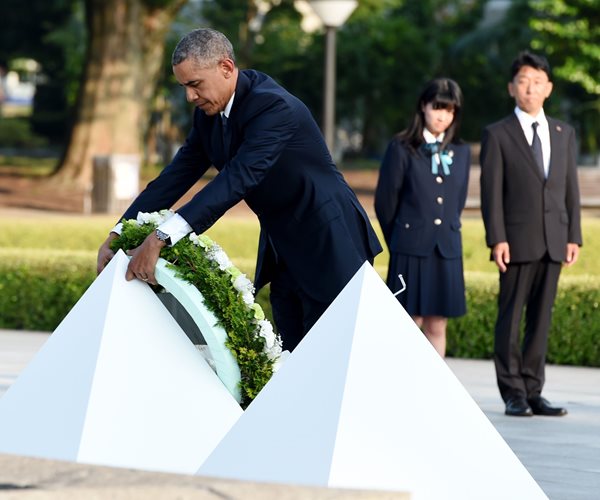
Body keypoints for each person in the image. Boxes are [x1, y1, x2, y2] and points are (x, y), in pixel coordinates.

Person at [97, 28, 382, 352]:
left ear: (226, 68)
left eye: (195, 84)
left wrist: (162, 237)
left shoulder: (273, 108)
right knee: (292, 351)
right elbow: (173, 178)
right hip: (282, 245)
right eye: (184, 87)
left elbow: (236, 179)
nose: (190, 97)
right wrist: (119, 231)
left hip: (330, 237)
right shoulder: (208, 115)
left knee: (337, 352)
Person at [480, 51, 582, 417]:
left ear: (548, 88)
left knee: (541, 318)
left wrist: (574, 235)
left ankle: (534, 390)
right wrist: (497, 238)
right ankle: (513, 393)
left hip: (555, 239)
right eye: (523, 81)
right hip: (516, 240)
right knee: (510, 317)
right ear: (512, 88)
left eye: (537, 82)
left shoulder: (564, 133)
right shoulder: (498, 134)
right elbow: (491, 192)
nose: (530, 88)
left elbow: (570, 188)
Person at [374, 78, 470, 357]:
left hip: (446, 249)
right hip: (410, 249)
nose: (443, 115)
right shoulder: (402, 147)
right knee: (408, 322)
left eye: (450, 110)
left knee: (437, 324)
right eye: (438, 107)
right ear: (423, 107)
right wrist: (402, 238)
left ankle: (433, 395)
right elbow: (385, 202)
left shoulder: (461, 152)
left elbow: (458, 200)